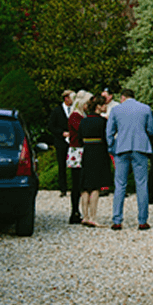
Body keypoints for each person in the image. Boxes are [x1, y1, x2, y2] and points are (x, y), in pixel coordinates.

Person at [106, 88, 153, 230]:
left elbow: (109, 132)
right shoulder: (145, 108)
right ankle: (142, 221)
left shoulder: (116, 110)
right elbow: (151, 130)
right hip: (140, 148)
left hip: (121, 148)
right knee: (142, 184)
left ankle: (117, 220)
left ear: (122, 97)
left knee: (120, 185)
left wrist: (111, 147)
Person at [78, 94, 110, 227]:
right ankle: (93, 216)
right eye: (104, 105)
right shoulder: (102, 121)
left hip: (87, 151)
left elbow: (79, 139)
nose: (106, 107)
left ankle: (85, 216)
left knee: (85, 185)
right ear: (98, 107)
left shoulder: (83, 121)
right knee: (96, 186)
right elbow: (107, 138)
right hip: (99, 152)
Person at [65, 90, 90, 224]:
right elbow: (81, 130)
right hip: (77, 150)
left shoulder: (81, 116)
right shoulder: (75, 117)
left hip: (80, 149)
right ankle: (75, 210)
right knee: (76, 183)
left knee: (80, 181)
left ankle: (80, 210)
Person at [47, 90, 74, 199]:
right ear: (66, 98)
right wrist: (61, 133)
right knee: (61, 165)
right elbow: (51, 126)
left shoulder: (75, 110)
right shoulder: (57, 111)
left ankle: (75, 186)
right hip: (61, 141)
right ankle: (63, 188)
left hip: (73, 141)